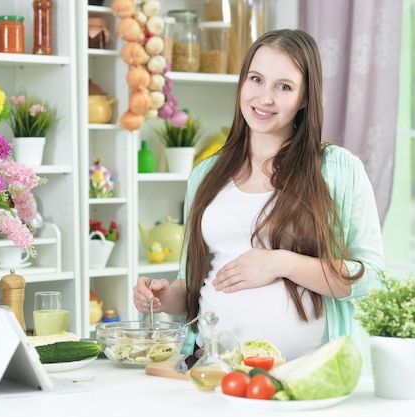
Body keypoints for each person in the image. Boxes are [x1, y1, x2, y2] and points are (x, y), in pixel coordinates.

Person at [133, 29, 385, 361]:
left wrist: (281, 263)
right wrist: (164, 299)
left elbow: (373, 280)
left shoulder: (337, 169)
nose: (264, 98)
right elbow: (192, 285)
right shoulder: (205, 174)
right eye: (256, 79)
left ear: (305, 98)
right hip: (214, 371)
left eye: (284, 87)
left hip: (304, 375)